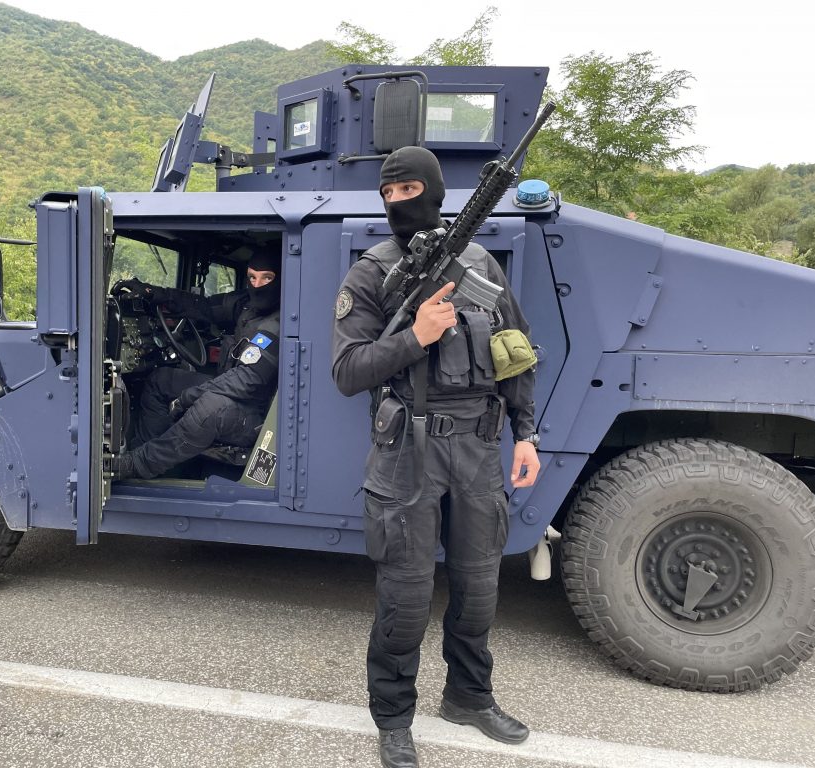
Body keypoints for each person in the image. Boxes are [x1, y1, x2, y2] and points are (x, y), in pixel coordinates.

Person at [331, 146, 540, 768]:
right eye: (388, 192)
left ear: (436, 190)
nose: (398, 201)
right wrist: (414, 336)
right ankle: (394, 717)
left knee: (479, 587)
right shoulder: (371, 273)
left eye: (409, 189)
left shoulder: (479, 263)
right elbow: (347, 372)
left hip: (479, 447)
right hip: (408, 452)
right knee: (405, 597)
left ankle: (469, 697)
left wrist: (526, 434)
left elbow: (514, 351)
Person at [113, 249, 281, 479]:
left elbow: (246, 381)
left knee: (208, 408)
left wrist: (189, 397)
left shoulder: (279, 322)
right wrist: (155, 293)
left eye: (267, 278)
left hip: (258, 415)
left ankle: (137, 464)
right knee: (161, 381)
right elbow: (203, 306)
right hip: (232, 392)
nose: (257, 285)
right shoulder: (246, 306)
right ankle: (148, 456)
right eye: (252, 277)